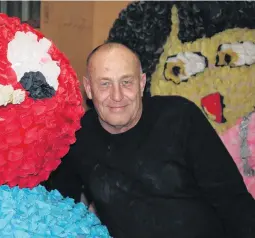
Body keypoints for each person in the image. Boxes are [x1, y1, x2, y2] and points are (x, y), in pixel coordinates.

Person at [45, 42, 255, 238]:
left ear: (142, 83)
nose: (117, 96)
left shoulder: (181, 118)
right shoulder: (77, 136)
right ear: (89, 89)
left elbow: (233, 202)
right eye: (105, 84)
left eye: (126, 82)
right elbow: (61, 207)